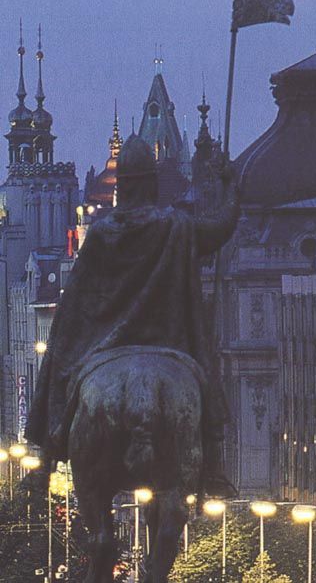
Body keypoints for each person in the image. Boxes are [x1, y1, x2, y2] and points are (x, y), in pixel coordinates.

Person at [26, 135, 240, 497]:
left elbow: (77, 299)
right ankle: (214, 469)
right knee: (205, 382)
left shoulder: (102, 233)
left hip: (106, 341)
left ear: (122, 187)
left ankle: (48, 453)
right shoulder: (176, 225)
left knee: (60, 348)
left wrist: (68, 328)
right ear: (152, 183)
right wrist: (230, 186)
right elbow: (221, 226)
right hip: (166, 341)